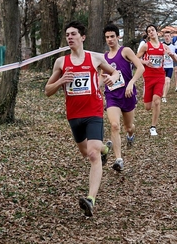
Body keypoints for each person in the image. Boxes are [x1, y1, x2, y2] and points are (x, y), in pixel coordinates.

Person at [44, 21, 119, 217]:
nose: (69, 37)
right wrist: (61, 80)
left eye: (73, 34)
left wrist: (112, 78)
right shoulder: (61, 63)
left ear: (82, 37)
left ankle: (91, 200)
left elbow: (116, 72)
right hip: (74, 115)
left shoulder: (95, 58)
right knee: (87, 153)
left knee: (93, 155)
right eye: (67, 34)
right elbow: (47, 91)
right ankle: (106, 148)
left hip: (93, 111)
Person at [102, 23, 145, 172]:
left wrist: (131, 83)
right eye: (107, 37)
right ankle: (118, 159)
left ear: (118, 36)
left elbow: (141, 67)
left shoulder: (125, 51)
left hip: (127, 94)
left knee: (128, 127)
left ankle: (131, 135)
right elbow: (100, 77)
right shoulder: (104, 57)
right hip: (112, 95)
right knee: (114, 125)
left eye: (112, 36)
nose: (110, 40)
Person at [136, 24, 177, 136]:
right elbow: (136, 58)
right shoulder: (145, 46)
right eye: (149, 31)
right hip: (148, 77)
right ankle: (147, 98)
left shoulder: (163, 46)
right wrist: (144, 62)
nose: (151, 32)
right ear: (148, 34)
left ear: (156, 32)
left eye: (152, 30)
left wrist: (172, 54)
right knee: (147, 107)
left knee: (157, 100)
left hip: (160, 76)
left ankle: (153, 127)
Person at [162, 30, 177, 102]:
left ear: (170, 37)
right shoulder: (160, 45)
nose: (167, 38)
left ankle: (164, 96)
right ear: (164, 37)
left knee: (167, 81)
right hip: (161, 67)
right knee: (161, 82)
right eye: (165, 36)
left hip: (169, 67)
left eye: (168, 36)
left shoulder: (174, 48)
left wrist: (172, 55)